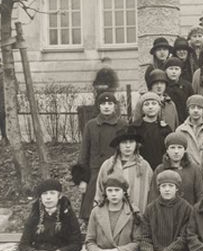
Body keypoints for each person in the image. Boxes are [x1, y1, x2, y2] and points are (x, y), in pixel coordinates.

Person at [72, 91, 127, 221]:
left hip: (116, 170)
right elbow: (84, 152)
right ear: (99, 106)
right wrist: (82, 179)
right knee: (91, 209)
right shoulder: (91, 125)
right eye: (103, 104)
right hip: (94, 172)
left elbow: (127, 149)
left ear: (115, 106)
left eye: (110, 103)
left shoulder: (122, 125)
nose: (106, 106)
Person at [95, 126, 154, 215]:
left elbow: (152, 193)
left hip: (138, 216)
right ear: (118, 145)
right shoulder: (108, 165)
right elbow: (100, 191)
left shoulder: (144, 166)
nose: (128, 146)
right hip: (113, 215)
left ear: (136, 144)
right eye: (124, 142)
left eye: (131, 142)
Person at [148, 132, 203, 205]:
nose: (176, 151)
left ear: (185, 150)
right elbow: (154, 196)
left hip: (189, 213)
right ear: (167, 150)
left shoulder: (194, 169)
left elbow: (200, 195)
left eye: (179, 147)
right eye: (172, 147)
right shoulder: (160, 170)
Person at [130, 92, 173, 169]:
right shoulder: (134, 128)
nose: (150, 107)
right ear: (142, 108)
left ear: (159, 107)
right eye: (146, 104)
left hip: (161, 168)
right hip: (140, 168)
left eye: (154, 103)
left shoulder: (165, 128)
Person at [174, 94, 203, 165]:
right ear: (188, 110)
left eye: (199, 108)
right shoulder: (180, 130)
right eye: (193, 107)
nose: (196, 110)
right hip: (188, 168)